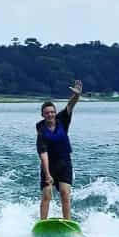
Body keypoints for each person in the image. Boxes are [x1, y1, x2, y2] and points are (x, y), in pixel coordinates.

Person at [36, 80, 83, 220]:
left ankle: (67, 221)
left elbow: (70, 105)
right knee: (47, 194)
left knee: (64, 193)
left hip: (65, 163)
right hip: (49, 165)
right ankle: (42, 222)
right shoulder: (41, 132)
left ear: (55, 113)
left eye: (52, 112)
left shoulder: (62, 120)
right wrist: (48, 174)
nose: (50, 115)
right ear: (43, 115)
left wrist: (77, 95)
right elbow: (43, 155)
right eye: (47, 113)